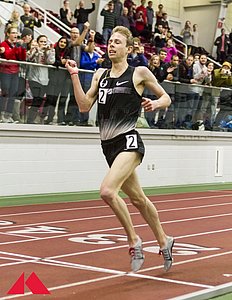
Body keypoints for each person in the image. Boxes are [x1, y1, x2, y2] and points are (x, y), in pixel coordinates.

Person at [65, 26, 174, 272]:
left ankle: (134, 240)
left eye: (117, 42)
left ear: (128, 48)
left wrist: (155, 103)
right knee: (138, 199)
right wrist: (73, 75)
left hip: (129, 141)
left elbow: (166, 97)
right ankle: (164, 240)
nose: (111, 45)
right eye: (110, 42)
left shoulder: (139, 73)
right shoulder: (100, 75)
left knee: (107, 191)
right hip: (109, 146)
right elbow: (84, 106)